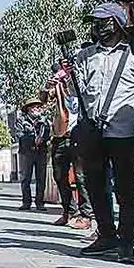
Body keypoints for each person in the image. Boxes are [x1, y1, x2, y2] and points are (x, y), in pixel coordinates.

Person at [56, 2, 134, 264]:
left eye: (104, 21)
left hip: (125, 129)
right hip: (92, 131)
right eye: (96, 22)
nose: (99, 27)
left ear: (117, 23)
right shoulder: (85, 55)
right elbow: (72, 94)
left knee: (126, 187)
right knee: (94, 185)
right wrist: (69, 77)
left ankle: (127, 241)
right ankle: (106, 235)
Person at [42, 76, 92, 228]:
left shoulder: (82, 84)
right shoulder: (58, 89)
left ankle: (86, 215)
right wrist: (47, 86)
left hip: (79, 135)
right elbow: (43, 99)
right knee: (59, 176)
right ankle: (69, 211)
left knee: (81, 177)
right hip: (60, 136)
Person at [15, 97, 50, 211]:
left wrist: (43, 139)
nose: (37, 109)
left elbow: (48, 133)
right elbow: (19, 135)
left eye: (38, 107)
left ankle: (40, 203)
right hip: (26, 153)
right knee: (26, 178)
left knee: (41, 178)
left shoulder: (44, 120)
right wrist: (31, 139)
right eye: (34, 107)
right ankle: (26, 202)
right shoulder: (21, 120)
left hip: (41, 152)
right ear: (29, 109)